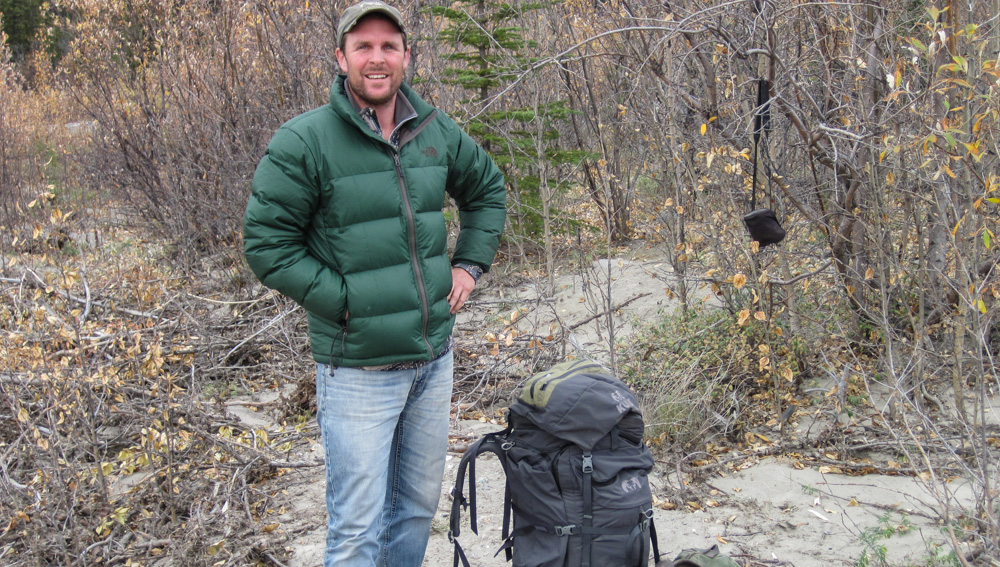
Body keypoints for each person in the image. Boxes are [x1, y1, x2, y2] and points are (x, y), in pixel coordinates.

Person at [242, 2, 506, 565]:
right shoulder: (305, 141)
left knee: (413, 510)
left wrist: (469, 265)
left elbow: (486, 189)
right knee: (358, 530)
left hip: (432, 360)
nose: (377, 58)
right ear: (341, 58)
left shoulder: (435, 130)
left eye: (389, 46)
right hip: (357, 371)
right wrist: (347, 303)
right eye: (363, 46)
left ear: (407, 57)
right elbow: (266, 245)